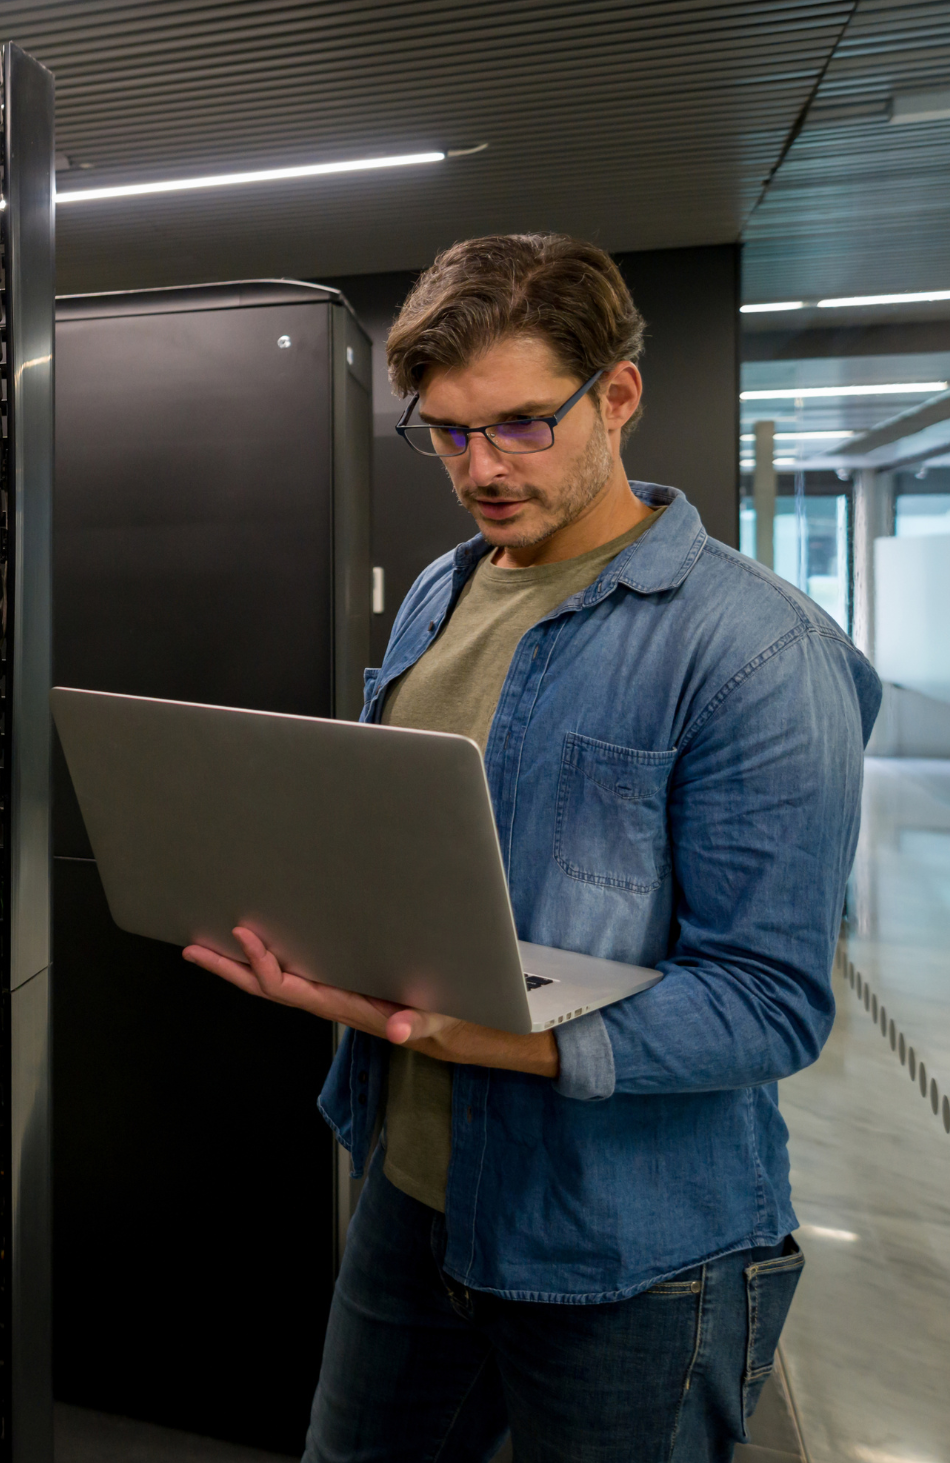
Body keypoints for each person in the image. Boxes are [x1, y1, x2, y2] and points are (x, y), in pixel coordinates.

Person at [184, 234, 879, 1462]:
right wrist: (320, 930)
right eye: (446, 431)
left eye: (518, 424)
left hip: (632, 1250)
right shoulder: (441, 593)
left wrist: (494, 1034)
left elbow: (772, 1003)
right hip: (413, 1195)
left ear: (618, 395)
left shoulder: (761, 653)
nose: (479, 468)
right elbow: (413, 859)